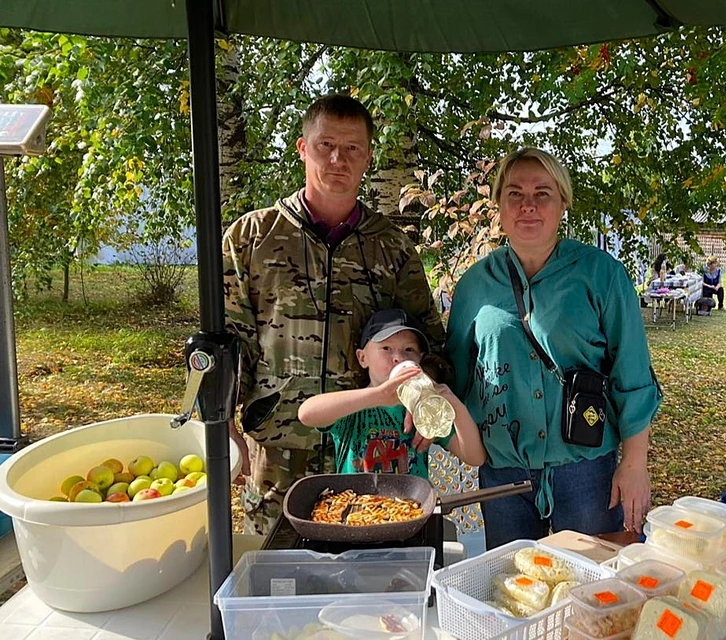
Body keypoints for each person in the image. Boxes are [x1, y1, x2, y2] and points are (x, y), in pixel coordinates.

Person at [222, 94, 446, 535]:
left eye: (352, 148)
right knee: (278, 581)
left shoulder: (391, 247)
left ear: (368, 157)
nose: (338, 159)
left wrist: (429, 401)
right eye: (326, 146)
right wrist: (221, 424)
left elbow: (430, 344)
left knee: (368, 580)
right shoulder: (251, 238)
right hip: (280, 448)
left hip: (370, 451)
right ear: (303, 148)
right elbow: (232, 342)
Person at [445, 148, 662, 549]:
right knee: (513, 592)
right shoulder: (475, 285)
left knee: (594, 593)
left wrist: (634, 464)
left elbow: (632, 377)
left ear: (563, 202)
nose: (528, 205)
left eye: (542, 193)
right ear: (499, 204)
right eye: (515, 193)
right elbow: (452, 379)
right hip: (504, 475)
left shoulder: (603, 276)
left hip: (586, 473)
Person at [298, 308, 485, 475]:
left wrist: (454, 405)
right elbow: (307, 414)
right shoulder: (353, 406)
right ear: (363, 358)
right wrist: (379, 396)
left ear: (420, 360)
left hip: (411, 509)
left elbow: (475, 457)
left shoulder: (423, 410)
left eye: (409, 350)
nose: (399, 358)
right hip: (357, 508)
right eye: (386, 348)